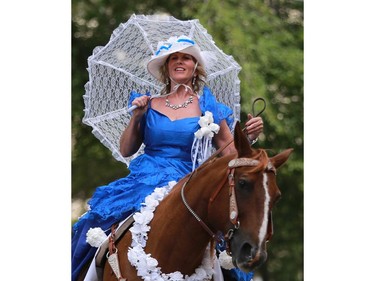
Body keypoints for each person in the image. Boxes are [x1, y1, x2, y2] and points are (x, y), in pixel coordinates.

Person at [72, 35, 264, 281]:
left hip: (190, 183)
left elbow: (230, 157)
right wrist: (138, 117)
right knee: (94, 224)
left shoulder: (211, 108)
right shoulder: (147, 103)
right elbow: (126, 149)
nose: (180, 62)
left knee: (225, 249)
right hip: (145, 180)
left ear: (196, 67)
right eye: (174, 58)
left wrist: (247, 138)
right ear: (166, 66)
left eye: (186, 57)